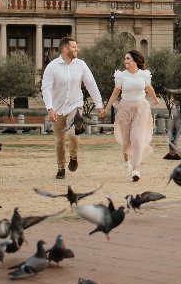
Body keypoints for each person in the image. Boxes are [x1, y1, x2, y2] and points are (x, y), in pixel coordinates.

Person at [41, 37, 105, 179]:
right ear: (65, 49)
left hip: (75, 105)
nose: (77, 49)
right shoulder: (52, 66)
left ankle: (74, 156)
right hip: (57, 108)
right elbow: (46, 88)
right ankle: (61, 168)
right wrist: (49, 108)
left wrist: (99, 104)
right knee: (60, 141)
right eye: (74, 47)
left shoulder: (81, 65)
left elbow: (91, 84)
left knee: (73, 133)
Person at [104, 49, 160, 182]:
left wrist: (155, 98)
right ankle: (126, 161)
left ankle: (136, 169)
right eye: (125, 59)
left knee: (137, 138)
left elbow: (149, 88)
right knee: (126, 140)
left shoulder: (144, 75)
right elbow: (115, 93)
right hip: (125, 109)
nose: (125, 61)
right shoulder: (121, 76)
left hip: (141, 108)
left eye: (128, 58)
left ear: (135, 60)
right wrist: (106, 108)